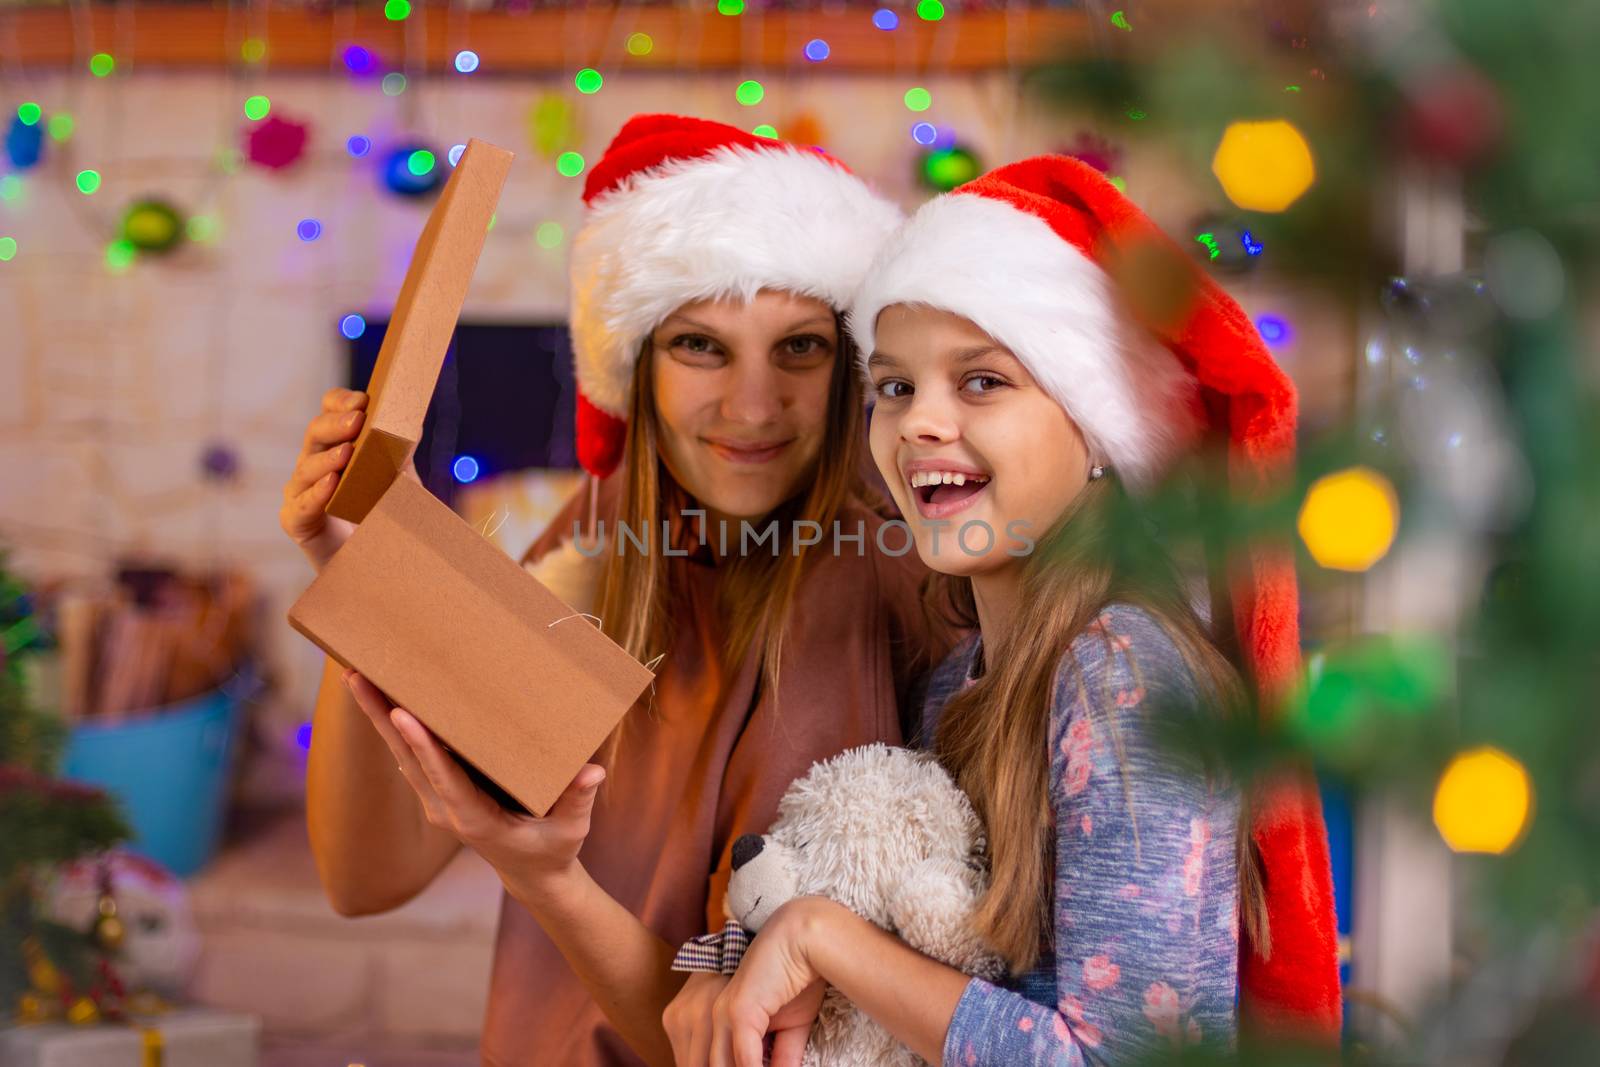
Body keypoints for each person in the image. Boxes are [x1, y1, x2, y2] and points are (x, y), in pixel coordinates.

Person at [278, 114, 953, 1067]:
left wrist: (547, 879)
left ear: (850, 368)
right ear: (636, 366)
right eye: (701, 347)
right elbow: (367, 874)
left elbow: (752, 1049)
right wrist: (364, 575)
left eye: (798, 347)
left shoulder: (883, 581)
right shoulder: (594, 546)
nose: (754, 406)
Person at [691, 155, 1342, 1066]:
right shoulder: (962, 676)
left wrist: (818, 935)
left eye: (982, 381)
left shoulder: (1123, 674)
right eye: (894, 386)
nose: (919, 422)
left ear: (1100, 429)